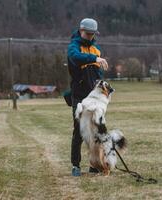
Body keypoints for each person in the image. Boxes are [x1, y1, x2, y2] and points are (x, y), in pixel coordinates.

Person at [67, 18, 108, 176]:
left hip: (94, 98)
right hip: (79, 96)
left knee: (95, 131)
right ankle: (75, 165)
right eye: (88, 33)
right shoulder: (74, 47)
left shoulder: (96, 49)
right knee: (79, 131)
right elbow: (76, 58)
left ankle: (95, 164)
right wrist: (94, 59)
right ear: (81, 30)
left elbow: (98, 75)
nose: (91, 37)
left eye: (93, 34)